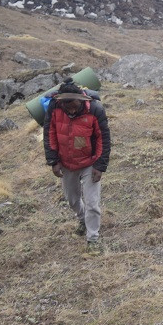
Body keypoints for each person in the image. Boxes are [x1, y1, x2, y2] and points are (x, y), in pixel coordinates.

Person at [42, 78, 111, 248]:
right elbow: (49, 133)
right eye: (65, 104)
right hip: (66, 162)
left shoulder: (95, 109)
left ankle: (93, 239)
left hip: (90, 162)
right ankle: (82, 220)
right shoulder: (54, 107)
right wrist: (53, 161)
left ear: (81, 99)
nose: (69, 108)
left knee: (92, 203)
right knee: (72, 200)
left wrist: (99, 166)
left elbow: (103, 138)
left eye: (72, 103)